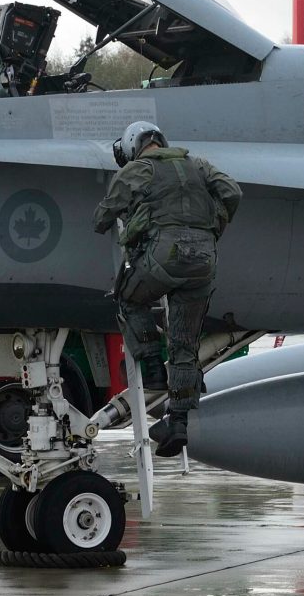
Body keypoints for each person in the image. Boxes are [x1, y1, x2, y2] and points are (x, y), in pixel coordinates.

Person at [93, 121, 241, 457]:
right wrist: (214, 223)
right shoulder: (198, 164)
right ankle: (178, 424)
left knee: (128, 299)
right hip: (204, 261)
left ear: (133, 145)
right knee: (185, 343)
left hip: (163, 258)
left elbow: (102, 218)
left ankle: (153, 370)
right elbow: (232, 192)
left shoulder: (138, 170)